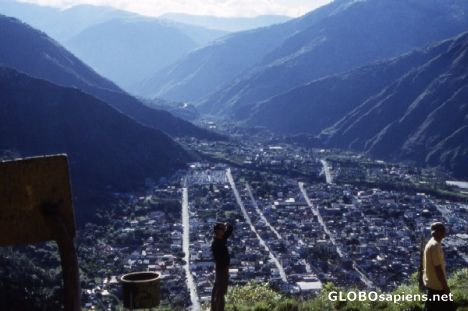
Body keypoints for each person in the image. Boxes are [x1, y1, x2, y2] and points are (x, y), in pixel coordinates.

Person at [423, 222, 455, 311]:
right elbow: (438, 268)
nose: (444, 233)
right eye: (443, 231)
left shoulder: (430, 243)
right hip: (438, 286)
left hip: (431, 283)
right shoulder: (435, 246)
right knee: (448, 307)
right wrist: (445, 287)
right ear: (438, 232)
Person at [211, 222, 233, 311]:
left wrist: (226, 224)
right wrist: (225, 269)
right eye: (222, 230)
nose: (224, 231)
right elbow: (220, 259)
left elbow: (230, 230)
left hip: (223, 270)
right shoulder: (216, 244)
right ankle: (218, 309)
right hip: (221, 270)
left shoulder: (221, 239)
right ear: (217, 231)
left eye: (224, 229)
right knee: (220, 292)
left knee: (220, 291)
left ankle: (215, 308)